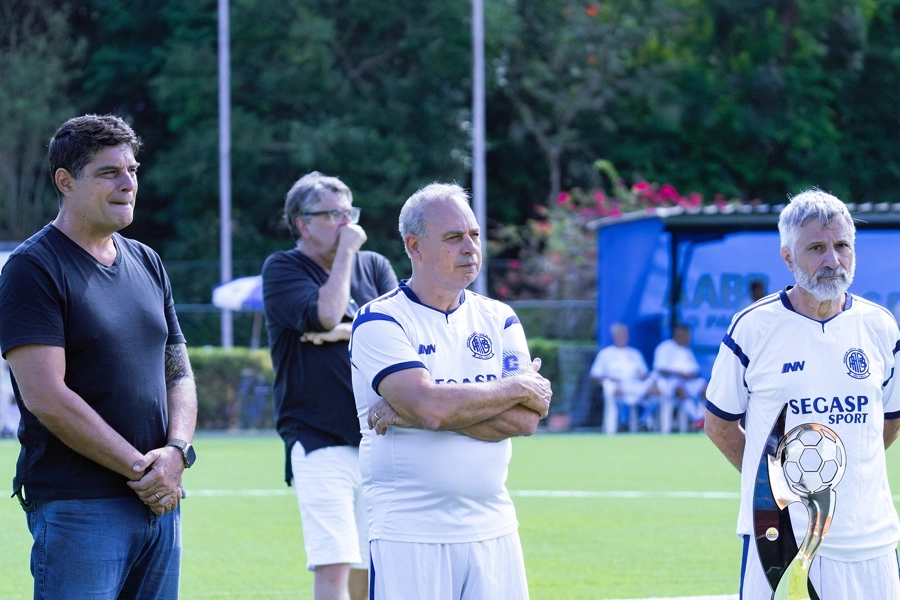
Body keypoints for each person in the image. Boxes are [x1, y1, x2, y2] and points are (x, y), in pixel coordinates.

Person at [0, 114, 197, 599]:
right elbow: (46, 395)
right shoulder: (32, 269)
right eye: (109, 173)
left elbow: (179, 369)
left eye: (132, 170)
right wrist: (143, 470)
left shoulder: (147, 261)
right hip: (79, 507)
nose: (128, 184)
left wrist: (176, 453)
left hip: (157, 502)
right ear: (65, 182)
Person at [349, 183, 552, 600]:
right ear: (414, 245)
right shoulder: (380, 320)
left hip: (494, 528)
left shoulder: (500, 317)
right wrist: (515, 386)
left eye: (474, 235)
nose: (470, 247)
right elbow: (429, 407)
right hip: (409, 532)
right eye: (454, 237)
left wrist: (414, 411)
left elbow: (525, 419)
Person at [705, 189, 900, 599]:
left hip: (870, 542)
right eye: (816, 248)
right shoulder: (752, 328)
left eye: (842, 245)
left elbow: (891, 419)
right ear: (788, 257)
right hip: (777, 539)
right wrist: (778, 486)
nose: (833, 260)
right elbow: (719, 425)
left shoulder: (881, 327)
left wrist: (842, 477)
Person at [262, 171, 397, 600]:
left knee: (373, 566)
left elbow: (403, 335)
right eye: (333, 214)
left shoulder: (374, 266)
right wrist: (346, 256)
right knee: (334, 562)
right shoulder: (283, 268)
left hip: (379, 439)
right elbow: (324, 313)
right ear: (302, 223)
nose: (346, 223)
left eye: (349, 212)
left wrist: (345, 332)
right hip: (317, 439)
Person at [589, 322, 659, 434]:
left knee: (658, 391)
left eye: (625, 334)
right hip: (617, 386)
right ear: (614, 336)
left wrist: (643, 377)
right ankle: (619, 425)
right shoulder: (605, 354)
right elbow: (594, 376)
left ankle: (643, 420)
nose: (623, 337)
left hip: (636, 385)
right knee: (612, 390)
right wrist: (610, 378)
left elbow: (644, 373)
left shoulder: (635, 354)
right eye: (621, 334)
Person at [652, 324, 707, 433]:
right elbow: (660, 369)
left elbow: (695, 371)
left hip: (689, 382)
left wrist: (689, 375)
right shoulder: (664, 347)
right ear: (679, 335)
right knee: (680, 389)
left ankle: (710, 418)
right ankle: (698, 419)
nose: (690, 338)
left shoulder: (687, 350)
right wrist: (680, 374)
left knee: (706, 389)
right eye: (688, 335)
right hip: (669, 382)